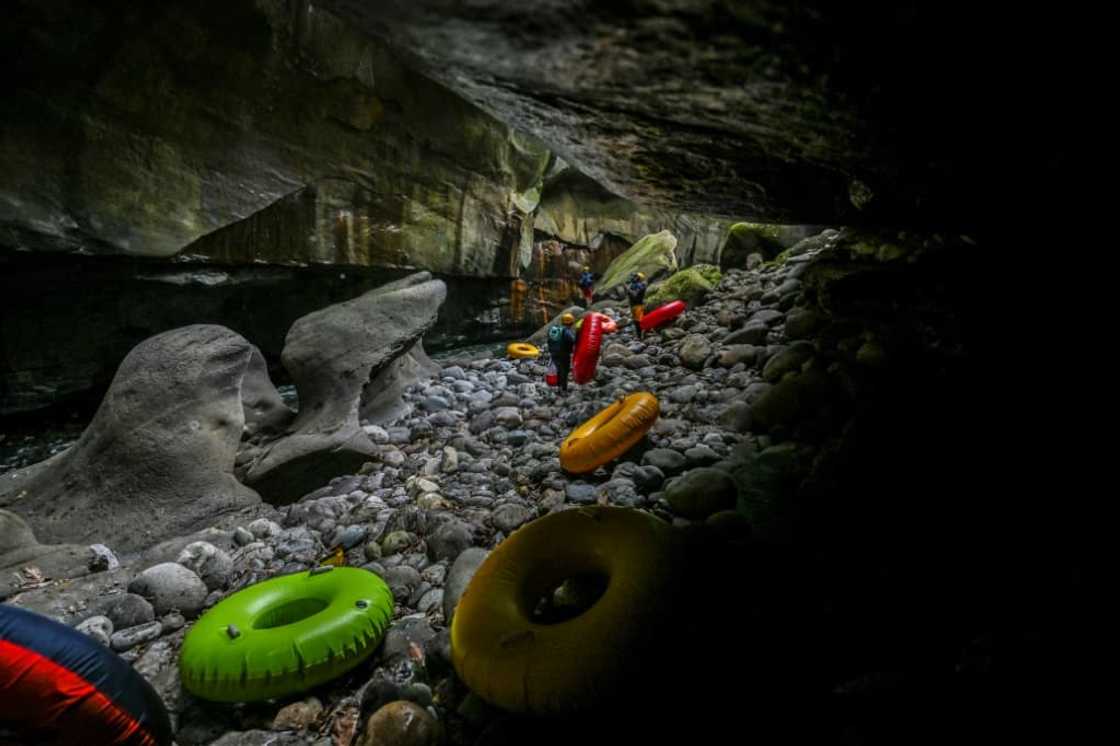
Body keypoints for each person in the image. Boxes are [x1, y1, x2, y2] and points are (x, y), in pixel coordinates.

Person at [546, 312, 578, 393]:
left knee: (558, 370)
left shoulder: (554, 329)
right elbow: (572, 340)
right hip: (564, 354)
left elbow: (549, 340)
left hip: (554, 353)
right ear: (571, 323)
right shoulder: (566, 331)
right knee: (564, 371)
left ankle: (558, 387)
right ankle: (563, 389)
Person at [626, 272, 647, 337]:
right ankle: (639, 336)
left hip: (638, 305)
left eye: (635, 277)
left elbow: (635, 296)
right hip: (634, 306)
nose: (633, 278)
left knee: (638, 321)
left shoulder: (641, 286)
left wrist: (628, 290)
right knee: (636, 321)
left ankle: (641, 335)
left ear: (638, 278)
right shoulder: (634, 285)